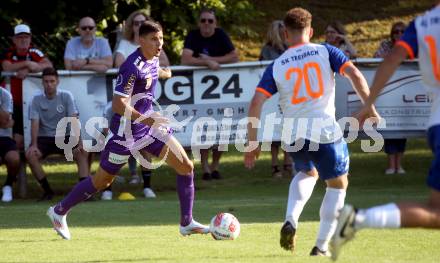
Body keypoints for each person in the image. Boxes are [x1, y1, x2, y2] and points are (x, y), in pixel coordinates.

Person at [46, 21, 209, 240]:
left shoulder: (152, 58)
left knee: (185, 166)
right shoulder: (130, 66)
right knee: (102, 181)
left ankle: (186, 222)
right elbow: (118, 105)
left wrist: (163, 73)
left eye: (161, 38)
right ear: (141, 40)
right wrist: (148, 120)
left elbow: (151, 72)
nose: (159, 43)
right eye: (154, 39)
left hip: (148, 128)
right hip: (125, 134)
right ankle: (59, 211)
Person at [244, 7, 371, 256]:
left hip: (292, 133)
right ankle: (321, 246)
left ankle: (291, 218)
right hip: (323, 129)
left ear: (285, 33)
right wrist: (368, 106)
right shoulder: (326, 51)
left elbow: (256, 102)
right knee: (337, 184)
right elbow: (354, 74)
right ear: (310, 31)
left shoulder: (277, 64)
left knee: (306, 171)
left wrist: (252, 142)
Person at [330, 4, 440, 261]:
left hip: (436, 122)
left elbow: (392, 59)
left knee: (436, 212)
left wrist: (368, 105)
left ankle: (359, 219)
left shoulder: (423, 23)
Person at [181, 8, 239, 180]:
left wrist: (213, 61)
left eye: (210, 21)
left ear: (216, 23)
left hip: (222, 90)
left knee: (221, 128)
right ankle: (205, 167)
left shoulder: (221, 35)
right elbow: (185, 59)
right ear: (199, 23)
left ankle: (215, 166)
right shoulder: (193, 35)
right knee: (203, 129)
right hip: (198, 91)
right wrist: (207, 62)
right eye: (203, 20)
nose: (206, 24)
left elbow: (234, 57)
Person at [26, 67, 89, 201]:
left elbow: (73, 120)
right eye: (46, 81)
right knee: (31, 155)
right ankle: (48, 191)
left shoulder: (66, 96)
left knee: (82, 152)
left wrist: (79, 143)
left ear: (58, 82)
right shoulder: (35, 99)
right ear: (42, 83)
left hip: (64, 137)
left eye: (52, 81)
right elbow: (34, 123)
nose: (49, 84)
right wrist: (34, 145)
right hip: (44, 139)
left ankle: (84, 193)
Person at [1, 24, 52, 150]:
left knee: (24, 139)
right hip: (10, 104)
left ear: (30, 38)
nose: (23, 40)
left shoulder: (34, 51)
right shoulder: (8, 52)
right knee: (14, 139)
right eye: (20, 37)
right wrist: (28, 64)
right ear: (14, 39)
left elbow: (48, 65)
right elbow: (7, 67)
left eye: (26, 37)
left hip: (28, 103)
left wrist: (28, 70)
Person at [100, 101, 157, 200]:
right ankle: (107, 190)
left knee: (146, 150)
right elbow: (106, 129)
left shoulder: (142, 106)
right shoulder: (110, 107)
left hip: (135, 138)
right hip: (115, 138)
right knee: (108, 151)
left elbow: (147, 127)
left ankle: (147, 188)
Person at [259, 20, 293, 178]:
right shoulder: (267, 50)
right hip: (272, 92)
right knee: (273, 127)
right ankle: (274, 164)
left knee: (288, 127)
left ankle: (288, 161)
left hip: (287, 92)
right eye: (279, 30)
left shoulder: (290, 48)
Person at [374, 22, 408, 175]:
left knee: (403, 128)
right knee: (388, 127)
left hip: (406, 90)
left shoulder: (410, 45)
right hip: (388, 89)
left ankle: (399, 165)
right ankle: (390, 164)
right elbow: (376, 57)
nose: (399, 34)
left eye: (402, 31)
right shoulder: (386, 45)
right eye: (396, 31)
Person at [114, 9, 171, 79]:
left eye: (143, 22)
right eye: (136, 23)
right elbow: (119, 65)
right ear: (132, 27)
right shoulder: (124, 44)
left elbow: (165, 63)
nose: (140, 26)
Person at [0, 88, 20, 202]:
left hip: (4, 138)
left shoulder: (5, 94)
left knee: (14, 158)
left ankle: (8, 185)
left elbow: (4, 121)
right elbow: (5, 122)